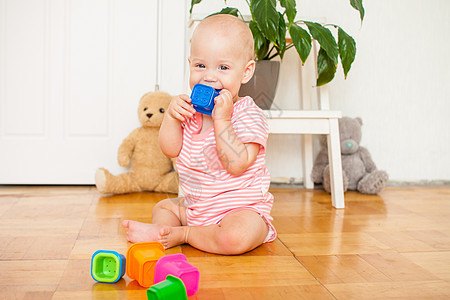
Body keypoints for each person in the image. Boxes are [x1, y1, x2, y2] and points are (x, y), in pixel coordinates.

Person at [122, 14, 276, 255]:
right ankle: (165, 231)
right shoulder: (189, 111)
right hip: (196, 207)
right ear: (190, 64)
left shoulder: (248, 115)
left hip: (239, 210)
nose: (209, 76)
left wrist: (222, 119)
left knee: (235, 237)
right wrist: (171, 118)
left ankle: (184, 235)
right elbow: (169, 149)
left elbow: (237, 164)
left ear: (245, 72)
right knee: (164, 208)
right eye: (200, 65)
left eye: (223, 68)